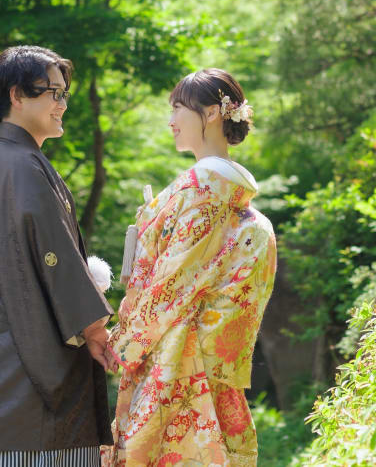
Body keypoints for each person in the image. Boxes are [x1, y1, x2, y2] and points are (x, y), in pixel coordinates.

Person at [103, 68, 277, 467]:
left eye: (179, 108)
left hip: (175, 362)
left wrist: (125, 341)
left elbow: (171, 281)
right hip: (208, 364)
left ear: (213, 113)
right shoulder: (242, 207)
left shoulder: (202, 193)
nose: (171, 121)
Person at [0, 45, 115, 467]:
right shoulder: (20, 164)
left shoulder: (4, 160)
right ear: (16, 95)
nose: (61, 104)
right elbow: (54, 255)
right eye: (52, 93)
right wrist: (95, 328)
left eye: (64, 94)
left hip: (0, 352)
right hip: (21, 365)